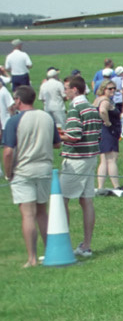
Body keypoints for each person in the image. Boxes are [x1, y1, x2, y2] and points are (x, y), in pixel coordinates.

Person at [3, 86, 59, 267]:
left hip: (23, 170)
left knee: (28, 215)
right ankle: (51, 252)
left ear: (18, 100)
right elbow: (57, 144)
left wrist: (8, 173)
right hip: (44, 168)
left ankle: (32, 258)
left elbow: (8, 152)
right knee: (42, 212)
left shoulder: (14, 121)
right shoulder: (47, 117)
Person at [59, 75, 103, 258]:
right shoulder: (93, 108)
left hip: (77, 159)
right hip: (91, 157)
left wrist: (57, 136)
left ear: (74, 90)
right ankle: (86, 245)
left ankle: (62, 244)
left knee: (61, 200)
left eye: (66, 88)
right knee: (86, 200)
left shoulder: (75, 108)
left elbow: (75, 136)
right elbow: (97, 134)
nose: (65, 92)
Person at [94, 79, 122, 192]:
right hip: (108, 131)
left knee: (103, 159)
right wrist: (108, 122)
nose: (113, 91)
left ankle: (100, 186)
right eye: (110, 88)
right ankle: (116, 185)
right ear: (103, 89)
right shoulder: (105, 101)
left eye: (114, 88)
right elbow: (102, 111)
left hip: (100, 131)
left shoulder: (97, 100)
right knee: (112, 159)